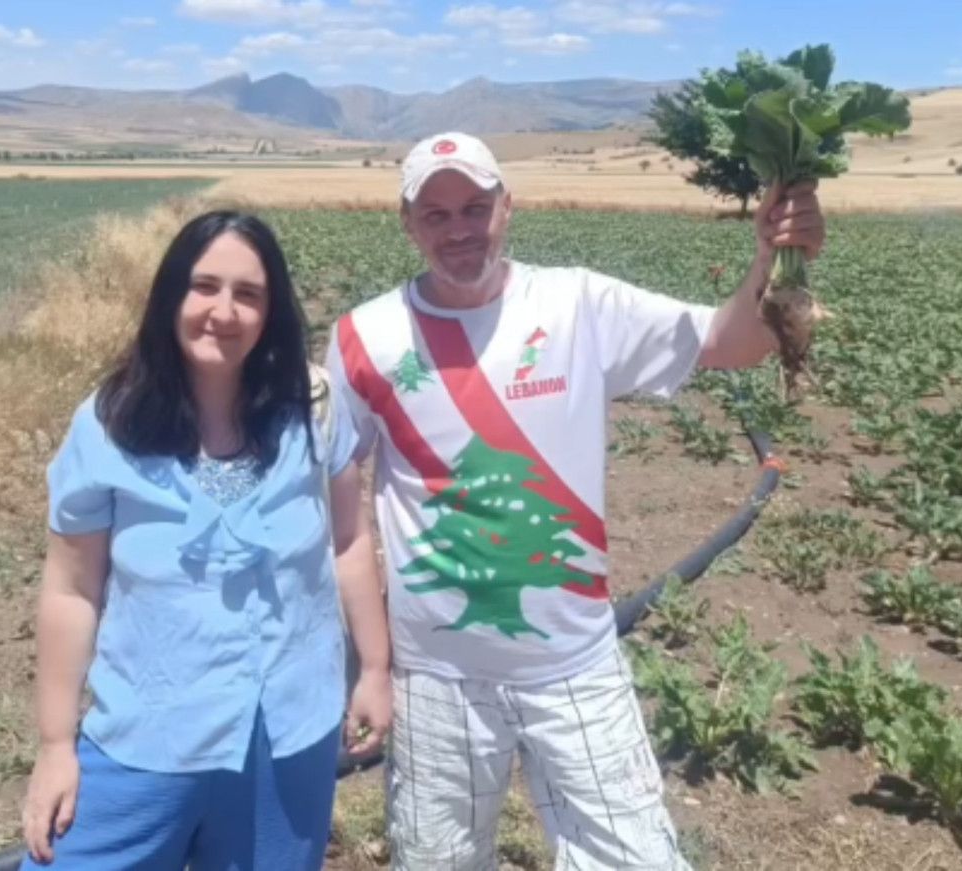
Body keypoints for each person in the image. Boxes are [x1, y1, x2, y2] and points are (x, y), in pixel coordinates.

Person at [324, 132, 825, 869]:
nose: (459, 229)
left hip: (575, 666)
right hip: (435, 677)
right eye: (435, 214)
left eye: (475, 207)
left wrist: (771, 257)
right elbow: (344, 523)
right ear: (407, 223)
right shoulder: (364, 337)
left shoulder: (578, 303)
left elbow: (728, 342)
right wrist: (372, 668)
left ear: (508, 207)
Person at [20, 210, 391, 870]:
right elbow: (71, 590)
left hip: (289, 735)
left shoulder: (311, 408)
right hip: (148, 737)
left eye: (248, 294)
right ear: (171, 295)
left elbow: (348, 541)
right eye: (204, 286)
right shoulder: (108, 424)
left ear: (271, 312)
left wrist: (375, 669)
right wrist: (55, 746)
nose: (224, 311)